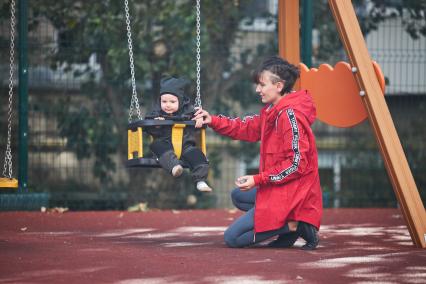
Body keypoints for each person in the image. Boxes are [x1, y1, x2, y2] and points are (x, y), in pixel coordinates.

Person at [193, 56, 322, 249]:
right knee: (238, 196)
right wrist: (212, 120)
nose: (257, 89)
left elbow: (296, 164)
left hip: (295, 194)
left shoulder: (289, 115)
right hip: (282, 188)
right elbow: (245, 127)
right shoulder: (272, 110)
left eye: (262, 85)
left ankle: (294, 224)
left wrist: (258, 179)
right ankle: (288, 227)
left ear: (279, 86)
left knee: (233, 239)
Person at [146, 76, 212, 192]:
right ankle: (175, 167)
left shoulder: (189, 112)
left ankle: (200, 181)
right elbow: (148, 127)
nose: (167, 105)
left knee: (198, 156)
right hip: (165, 144)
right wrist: (156, 123)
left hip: (186, 145)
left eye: (172, 101)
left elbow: (201, 121)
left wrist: (199, 120)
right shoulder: (156, 113)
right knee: (156, 145)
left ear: (180, 101)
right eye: (164, 101)